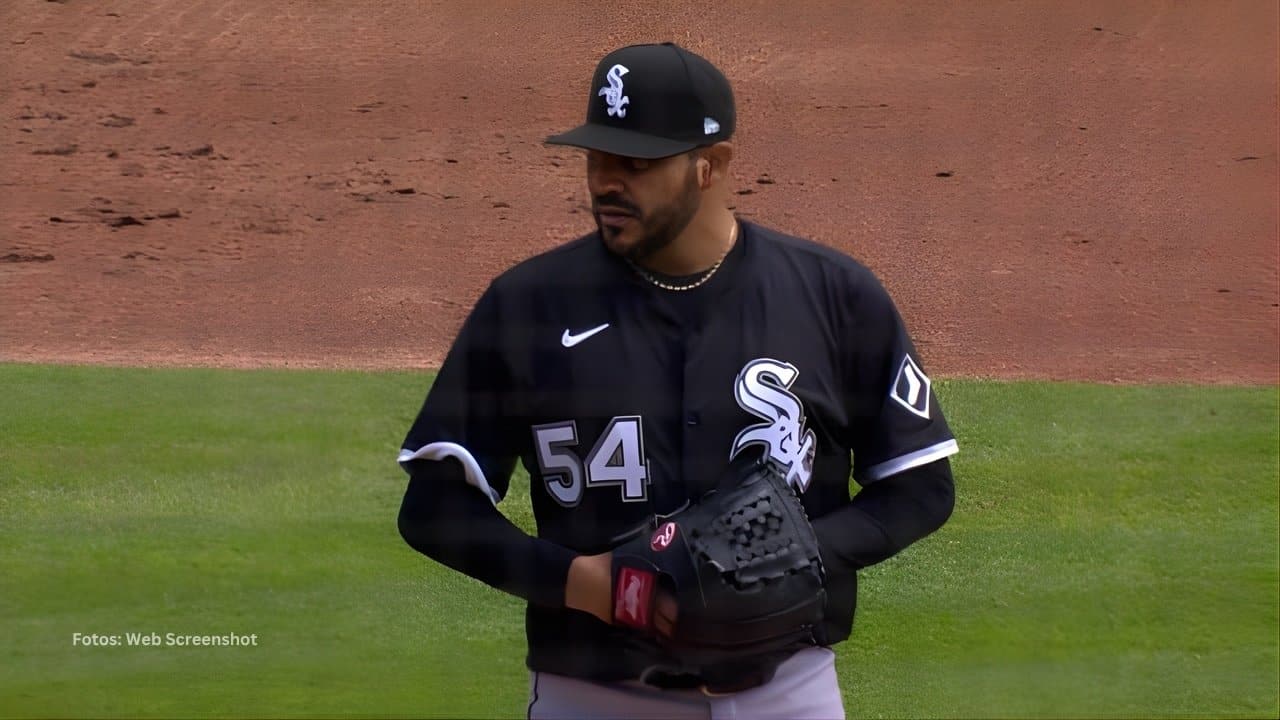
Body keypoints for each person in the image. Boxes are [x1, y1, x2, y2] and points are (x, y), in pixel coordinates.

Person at [397, 42, 957, 720]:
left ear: (710, 166)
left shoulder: (834, 296)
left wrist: (786, 562)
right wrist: (584, 584)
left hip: (785, 694)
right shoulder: (527, 305)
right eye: (596, 158)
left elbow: (919, 487)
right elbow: (433, 509)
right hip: (593, 697)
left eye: (633, 164)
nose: (605, 182)